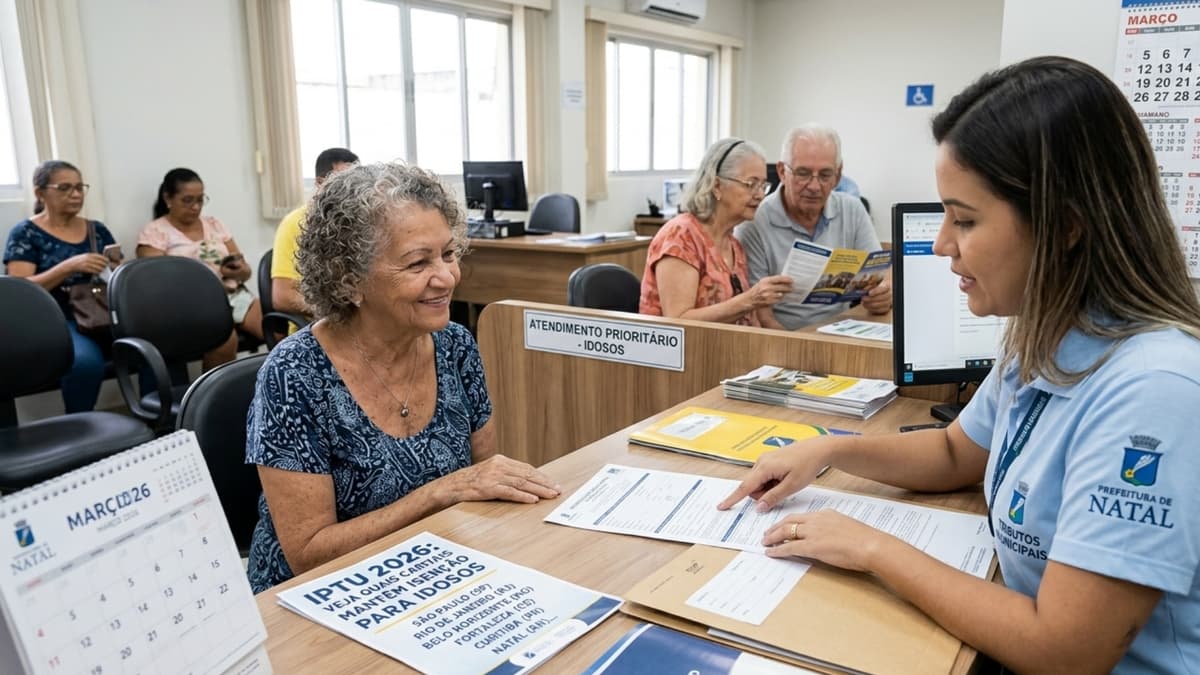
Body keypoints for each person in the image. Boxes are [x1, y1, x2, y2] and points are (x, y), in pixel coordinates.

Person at [719, 56, 1200, 672]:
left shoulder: (1155, 389)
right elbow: (955, 452)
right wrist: (830, 449)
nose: (943, 243)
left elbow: (1065, 651)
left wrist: (871, 547)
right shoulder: (1042, 334)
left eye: (965, 219)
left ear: (1068, 224)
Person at [244, 162, 560, 593]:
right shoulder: (294, 374)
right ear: (349, 280)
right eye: (417, 263)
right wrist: (437, 493)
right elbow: (308, 554)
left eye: (449, 254)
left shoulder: (455, 346)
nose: (446, 277)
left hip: (431, 571)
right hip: (320, 598)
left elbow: (481, 479)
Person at [735, 124, 891, 329]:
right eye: (803, 173)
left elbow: (880, 273)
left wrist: (884, 293)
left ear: (838, 174)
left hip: (842, 331)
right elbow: (761, 317)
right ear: (782, 171)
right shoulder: (754, 222)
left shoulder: (852, 209)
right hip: (784, 338)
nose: (814, 186)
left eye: (825, 175)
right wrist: (802, 348)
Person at [3, 160, 121, 412]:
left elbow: (118, 272)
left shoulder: (96, 230)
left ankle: (158, 424)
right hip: (56, 319)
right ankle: (80, 429)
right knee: (85, 364)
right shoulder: (25, 233)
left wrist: (112, 267)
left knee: (152, 344)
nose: (76, 194)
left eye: (80, 187)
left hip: (100, 312)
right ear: (40, 193)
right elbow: (20, 290)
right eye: (65, 188)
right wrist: (69, 266)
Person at [639, 137, 793, 328]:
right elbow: (677, 321)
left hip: (726, 352)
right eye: (750, 184)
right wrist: (750, 300)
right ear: (717, 186)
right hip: (681, 355)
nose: (760, 195)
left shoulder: (734, 245)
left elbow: (750, 322)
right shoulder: (680, 236)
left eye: (763, 186)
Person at [136, 168, 263, 369]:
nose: (195, 207)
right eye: (187, 200)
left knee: (278, 327)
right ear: (168, 198)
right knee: (224, 340)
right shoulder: (155, 232)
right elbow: (156, 281)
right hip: (190, 304)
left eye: (200, 200)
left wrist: (238, 271)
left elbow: (245, 272)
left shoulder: (215, 224)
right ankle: (214, 396)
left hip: (232, 294)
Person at [271, 147, 359, 318]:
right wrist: (337, 310)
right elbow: (282, 297)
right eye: (343, 182)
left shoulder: (362, 221)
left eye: (356, 182)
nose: (351, 190)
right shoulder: (294, 224)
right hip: (319, 323)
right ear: (320, 183)